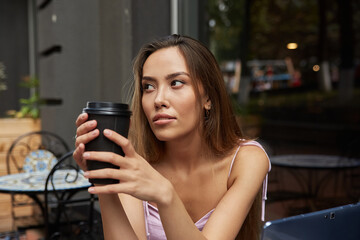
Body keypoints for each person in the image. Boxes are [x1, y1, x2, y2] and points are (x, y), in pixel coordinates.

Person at [74, 34, 270, 240]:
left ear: (208, 97)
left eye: (176, 83)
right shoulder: (136, 163)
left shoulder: (247, 159)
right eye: (148, 87)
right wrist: (104, 182)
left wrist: (165, 195)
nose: (158, 99)